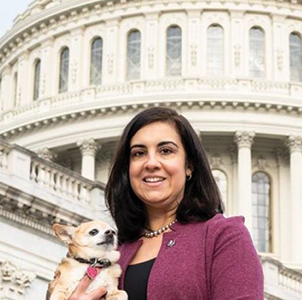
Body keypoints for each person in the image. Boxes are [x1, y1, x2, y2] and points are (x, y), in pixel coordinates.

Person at [66, 107, 263, 300]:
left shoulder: (223, 237)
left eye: (166, 151)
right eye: (139, 153)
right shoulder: (112, 253)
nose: (151, 163)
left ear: (189, 165)